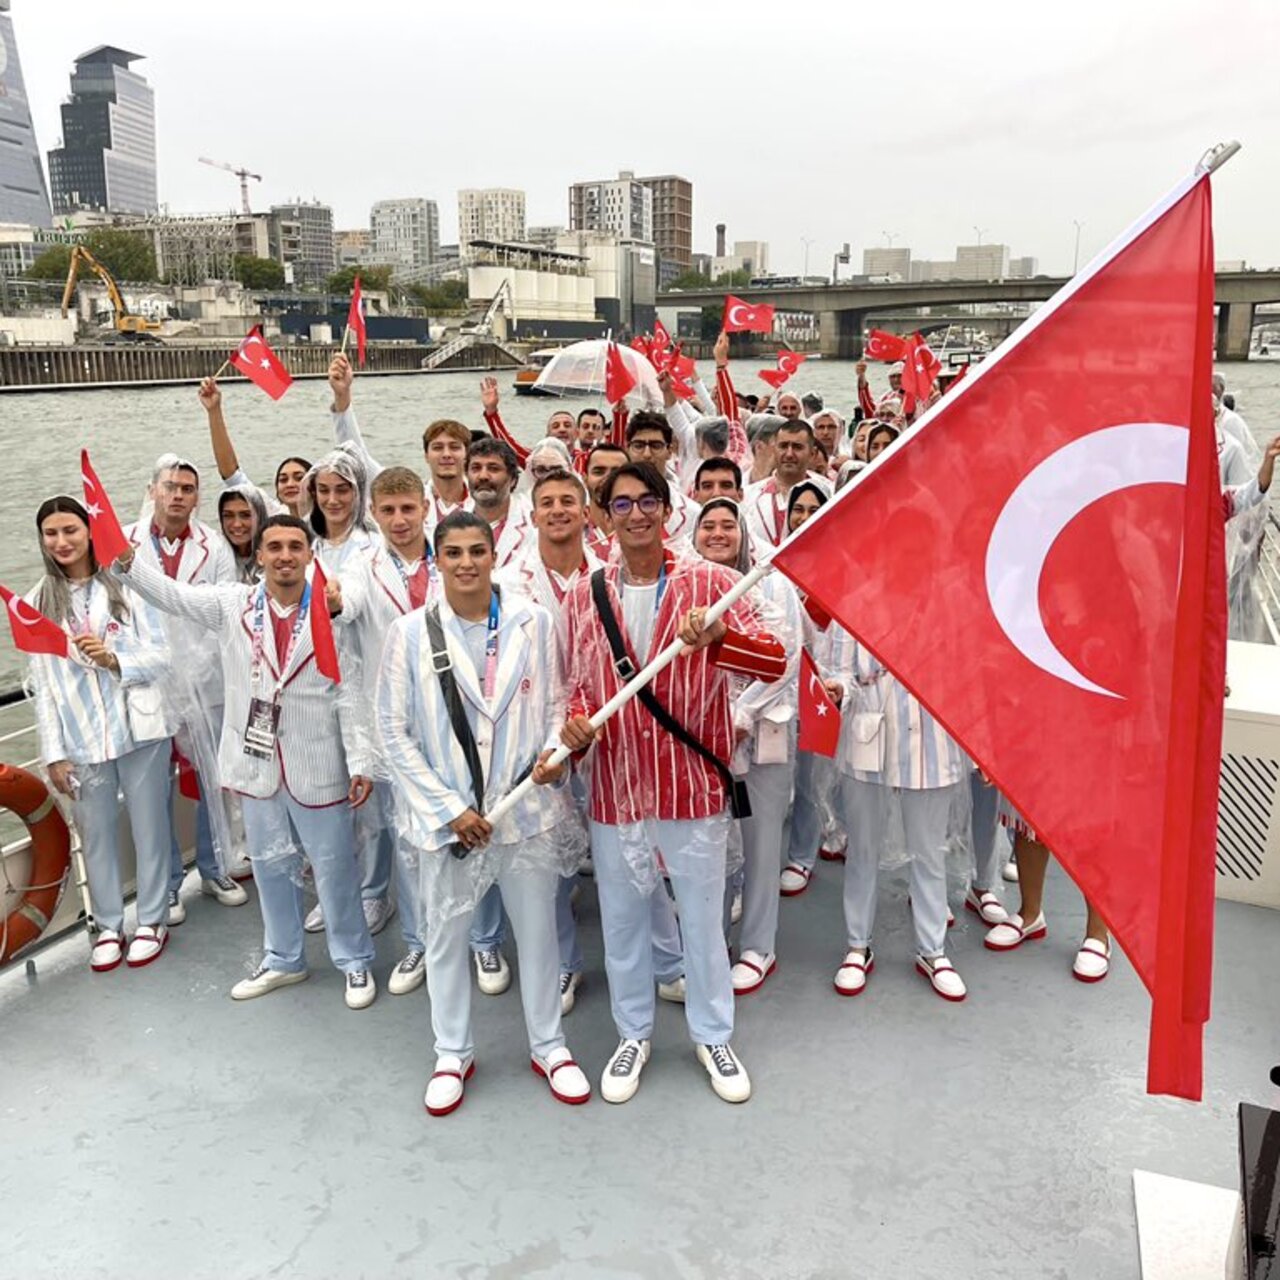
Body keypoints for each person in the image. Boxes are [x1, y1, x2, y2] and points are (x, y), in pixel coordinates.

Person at [560, 462, 787, 1104]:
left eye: (647, 501)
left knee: (703, 919)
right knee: (625, 918)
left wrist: (720, 637)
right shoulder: (584, 594)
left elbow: (775, 658)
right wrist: (575, 724)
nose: (635, 515)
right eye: (621, 503)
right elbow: (574, 679)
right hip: (616, 786)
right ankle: (633, 1033)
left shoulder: (712, 584)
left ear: (668, 510)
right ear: (603, 515)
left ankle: (713, 1033)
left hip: (690, 783)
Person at [116, 515, 380, 1009]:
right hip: (255, 763)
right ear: (258, 556)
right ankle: (283, 958)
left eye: (294, 547)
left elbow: (350, 691)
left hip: (318, 762)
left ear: (309, 555)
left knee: (334, 867)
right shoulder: (231, 604)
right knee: (270, 866)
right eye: (274, 547)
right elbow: (172, 595)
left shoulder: (330, 611)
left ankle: (354, 959)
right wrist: (126, 561)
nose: (284, 556)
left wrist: (361, 759)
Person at [376, 511, 591, 1115]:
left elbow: (555, 704)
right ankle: (452, 1050)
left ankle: (549, 1045)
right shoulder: (408, 634)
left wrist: (552, 755)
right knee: (447, 936)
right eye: (453, 553)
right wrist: (449, 810)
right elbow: (393, 733)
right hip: (452, 825)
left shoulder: (535, 622)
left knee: (538, 934)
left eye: (477, 550)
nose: (466, 562)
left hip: (523, 812)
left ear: (494, 554)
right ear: (435, 560)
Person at [29, 496, 176, 971]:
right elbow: (45, 686)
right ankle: (109, 924)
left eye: (70, 530)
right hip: (82, 740)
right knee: (96, 835)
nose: (62, 542)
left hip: (141, 728)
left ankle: (153, 918)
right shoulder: (38, 602)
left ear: (90, 531)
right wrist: (53, 752)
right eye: (51, 534)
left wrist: (116, 661)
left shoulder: (126, 586)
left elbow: (164, 656)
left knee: (150, 826)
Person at [497, 467, 606, 1014]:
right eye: (548, 502)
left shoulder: (611, 574)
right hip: (539, 737)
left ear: (586, 513)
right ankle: (566, 964)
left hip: (605, 729)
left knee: (623, 852)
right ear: (532, 515)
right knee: (551, 859)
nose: (559, 510)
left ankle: (663, 961)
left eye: (570, 501)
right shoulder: (509, 582)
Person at [124, 455, 244, 924]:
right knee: (154, 787)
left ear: (197, 498)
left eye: (188, 489)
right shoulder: (126, 545)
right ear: (152, 490)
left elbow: (222, 610)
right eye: (170, 486)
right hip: (149, 682)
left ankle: (214, 869)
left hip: (205, 679)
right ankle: (169, 883)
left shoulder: (213, 546)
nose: (178, 495)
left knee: (211, 777)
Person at [692, 499, 800, 994]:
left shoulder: (770, 581)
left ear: (743, 530)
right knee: (710, 844)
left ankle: (759, 945)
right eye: (707, 526)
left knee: (760, 844)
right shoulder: (687, 587)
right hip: (702, 739)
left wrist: (741, 713)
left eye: (727, 525)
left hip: (760, 736)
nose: (718, 534)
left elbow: (788, 660)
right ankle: (708, 939)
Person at [827, 628, 970, 1003]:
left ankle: (933, 950)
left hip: (932, 744)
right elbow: (839, 670)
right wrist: (840, 689)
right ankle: (857, 946)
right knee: (862, 850)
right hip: (868, 738)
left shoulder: (945, 605)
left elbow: (967, 671)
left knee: (928, 853)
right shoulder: (853, 604)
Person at [329, 354, 471, 533]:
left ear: (468, 454)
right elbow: (356, 457)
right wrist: (342, 397)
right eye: (437, 447)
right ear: (426, 456)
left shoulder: (484, 503)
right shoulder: (404, 495)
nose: (446, 454)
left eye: (455, 447)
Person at [201, 377, 309, 518]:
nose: (290, 484)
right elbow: (231, 474)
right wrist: (214, 410)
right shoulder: (273, 514)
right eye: (282, 480)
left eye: (299, 478)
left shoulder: (333, 518)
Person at [743, 419, 832, 553]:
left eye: (797, 447)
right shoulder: (749, 497)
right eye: (783, 446)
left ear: (812, 453)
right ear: (774, 450)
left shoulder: (831, 493)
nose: (789, 454)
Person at [625, 414, 702, 544]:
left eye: (656, 446)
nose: (647, 454)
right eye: (639, 445)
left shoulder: (693, 513)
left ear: (669, 450)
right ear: (628, 449)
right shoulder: (611, 508)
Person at [467, 437, 535, 569]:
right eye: (476, 468)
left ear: (513, 480)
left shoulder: (534, 527)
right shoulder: (450, 526)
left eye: (493, 468)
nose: (483, 476)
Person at [582, 443, 629, 557]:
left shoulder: (644, 529)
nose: (608, 479)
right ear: (585, 479)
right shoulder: (571, 531)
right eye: (599, 472)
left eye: (616, 472)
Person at [217, 486, 269, 584]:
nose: (237, 524)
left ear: (260, 516)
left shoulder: (274, 557)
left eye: (245, 515)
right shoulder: (215, 556)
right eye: (228, 516)